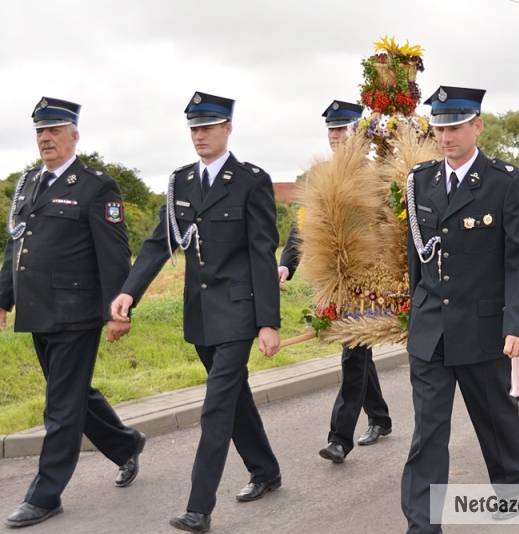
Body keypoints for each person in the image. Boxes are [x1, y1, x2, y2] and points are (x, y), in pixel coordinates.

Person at [110, 92, 282, 533]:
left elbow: (263, 254)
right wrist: (130, 293)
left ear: (228, 128)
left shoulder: (250, 181)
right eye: (194, 128)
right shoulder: (180, 181)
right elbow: (157, 243)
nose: (199, 135)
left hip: (240, 312)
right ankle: (265, 470)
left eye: (207, 127)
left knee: (216, 407)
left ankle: (199, 508)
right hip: (201, 312)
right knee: (234, 396)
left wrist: (268, 321)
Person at [1, 97, 145, 528]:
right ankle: (126, 444)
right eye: (40, 132)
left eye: (54, 131)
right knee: (73, 395)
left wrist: (119, 309)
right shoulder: (28, 183)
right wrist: (2, 298)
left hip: (77, 313)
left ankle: (45, 495)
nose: (46, 139)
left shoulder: (96, 186)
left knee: (60, 406)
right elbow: (16, 246)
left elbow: (114, 254)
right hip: (38, 310)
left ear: (73, 135)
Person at [402, 86, 519, 532]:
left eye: (455, 127)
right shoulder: (419, 180)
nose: (445, 137)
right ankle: (424, 524)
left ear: (477, 126)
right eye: (439, 128)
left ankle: (509, 485)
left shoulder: (504, 181)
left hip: (484, 327)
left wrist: (518, 323)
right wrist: (414, 314)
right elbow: (416, 257)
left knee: (494, 418)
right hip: (431, 329)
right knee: (428, 433)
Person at [279, 100, 392, 464]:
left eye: (342, 128)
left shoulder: (378, 173)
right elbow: (303, 224)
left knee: (353, 354)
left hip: (369, 276)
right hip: (335, 276)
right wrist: (286, 266)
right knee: (356, 347)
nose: (335, 135)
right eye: (331, 129)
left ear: (359, 132)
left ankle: (339, 438)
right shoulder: (319, 174)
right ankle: (380, 416)